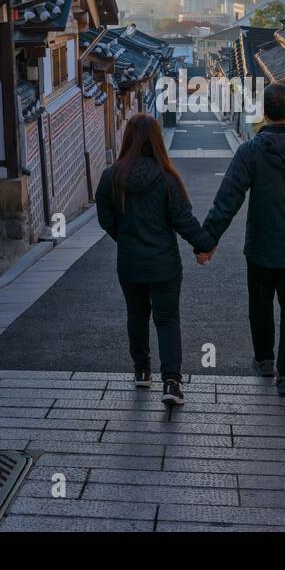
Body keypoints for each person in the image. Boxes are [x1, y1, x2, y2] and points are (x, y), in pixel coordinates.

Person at [201, 83, 285, 395]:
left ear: (264, 113)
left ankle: (264, 360)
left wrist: (207, 239)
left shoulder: (251, 151)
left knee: (259, 305)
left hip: (259, 247)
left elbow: (228, 197)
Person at [95, 113, 215, 406]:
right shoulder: (167, 177)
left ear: (127, 140)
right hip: (164, 264)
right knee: (167, 319)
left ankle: (141, 371)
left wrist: (124, 239)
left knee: (136, 315)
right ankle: (171, 384)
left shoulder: (111, 177)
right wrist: (204, 246)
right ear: (157, 141)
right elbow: (183, 220)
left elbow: (105, 217)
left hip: (130, 263)